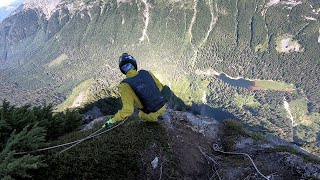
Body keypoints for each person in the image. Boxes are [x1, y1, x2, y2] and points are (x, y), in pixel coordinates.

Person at [103, 53, 167, 128]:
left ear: (122, 70)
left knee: (141, 115)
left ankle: (152, 123)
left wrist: (111, 121)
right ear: (134, 64)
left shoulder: (124, 85)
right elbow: (160, 87)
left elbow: (128, 110)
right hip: (163, 107)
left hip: (148, 116)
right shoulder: (146, 72)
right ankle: (160, 116)